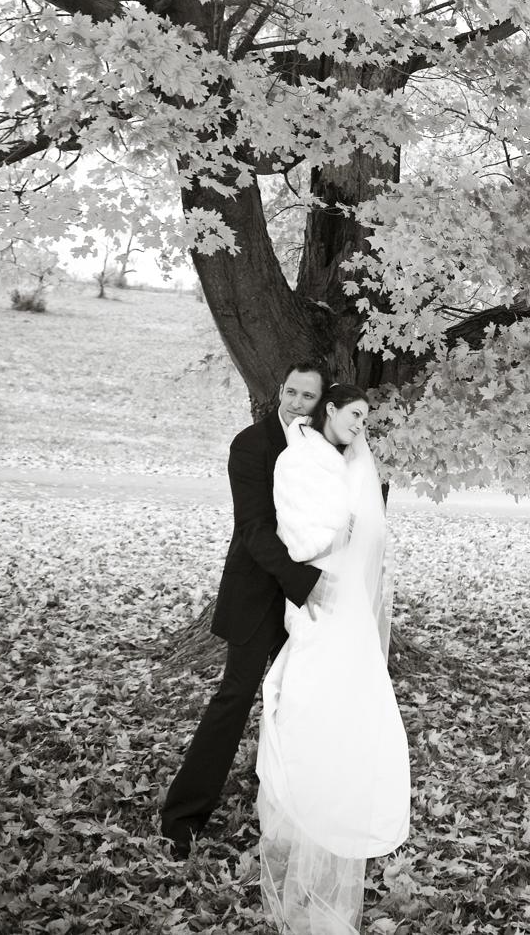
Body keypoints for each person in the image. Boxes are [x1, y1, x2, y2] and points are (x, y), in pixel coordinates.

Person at [160, 359, 331, 857]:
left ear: (321, 404)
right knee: (234, 699)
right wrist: (306, 583)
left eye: (307, 397)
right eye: (291, 392)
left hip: (306, 600)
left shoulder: (323, 448)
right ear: (281, 389)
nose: (296, 403)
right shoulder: (251, 444)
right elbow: (254, 528)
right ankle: (183, 815)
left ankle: (284, 805)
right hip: (262, 591)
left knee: (297, 703)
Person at [256, 384, 410, 935]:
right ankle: (305, 814)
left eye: (367, 418)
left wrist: (350, 535)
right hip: (317, 598)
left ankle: (338, 809)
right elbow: (294, 530)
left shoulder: (350, 466)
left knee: (352, 707)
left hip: (347, 606)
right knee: (306, 700)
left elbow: (365, 538)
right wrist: (331, 537)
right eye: (354, 414)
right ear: (330, 411)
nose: (360, 425)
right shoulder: (299, 459)